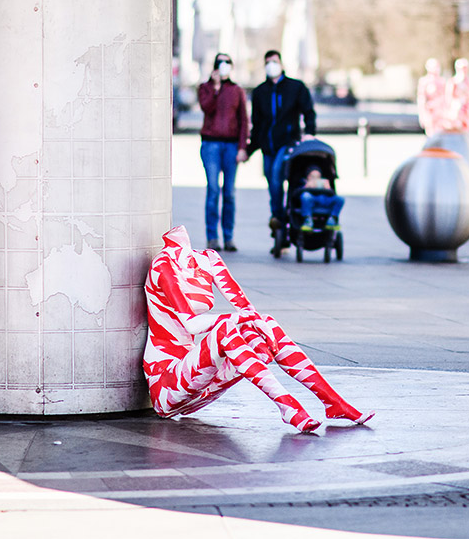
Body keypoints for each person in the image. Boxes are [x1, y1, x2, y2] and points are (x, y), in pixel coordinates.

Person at [142, 225, 373, 432]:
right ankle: (288, 407)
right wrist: (239, 318)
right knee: (225, 329)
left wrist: (261, 324)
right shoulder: (162, 265)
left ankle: (333, 402)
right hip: (167, 385)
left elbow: (244, 307)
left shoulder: (208, 259)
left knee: (265, 325)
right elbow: (190, 323)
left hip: (200, 387)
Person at [248, 50, 315, 230]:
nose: (272, 65)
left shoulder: (296, 87)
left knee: (279, 177)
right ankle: (278, 218)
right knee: (272, 185)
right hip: (268, 147)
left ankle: (283, 216)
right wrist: (249, 149)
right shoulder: (260, 92)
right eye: (268, 62)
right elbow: (257, 123)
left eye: (275, 61)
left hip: (288, 144)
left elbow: (308, 112)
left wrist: (309, 133)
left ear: (282, 64)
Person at [198, 53, 248, 252]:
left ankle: (228, 236)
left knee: (229, 193)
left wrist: (243, 147)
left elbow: (244, 119)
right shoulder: (205, 88)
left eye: (227, 63)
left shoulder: (237, 90)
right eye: (220, 63)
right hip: (210, 144)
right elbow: (206, 108)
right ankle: (212, 237)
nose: (224, 66)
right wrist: (216, 89)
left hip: (231, 145)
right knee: (213, 190)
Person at [297, 166, 344, 231]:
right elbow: (296, 195)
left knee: (340, 199)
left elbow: (332, 194)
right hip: (312, 201)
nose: (315, 178)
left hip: (324, 200)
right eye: (313, 176)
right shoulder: (304, 183)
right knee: (306, 196)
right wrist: (306, 187)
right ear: (308, 177)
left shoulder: (324, 183)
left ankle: (332, 218)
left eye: (318, 177)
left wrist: (328, 188)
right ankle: (308, 220)